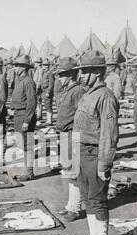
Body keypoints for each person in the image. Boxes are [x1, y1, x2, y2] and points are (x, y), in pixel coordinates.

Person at [73, 50, 119, 235]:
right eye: (81, 70)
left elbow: (109, 134)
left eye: (86, 71)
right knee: (88, 199)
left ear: (98, 72)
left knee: (98, 202)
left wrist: (104, 163)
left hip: (95, 155)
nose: (81, 75)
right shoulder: (88, 94)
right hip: (82, 153)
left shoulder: (106, 97)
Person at [55, 57, 87, 221]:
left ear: (70, 75)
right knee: (68, 171)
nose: (59, 78)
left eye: (61, 75)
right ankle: (70, 205)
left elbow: (81, 118)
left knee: (74, 172)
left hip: (72, 135)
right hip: (64, 134)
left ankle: (75, 208)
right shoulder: (68, 90)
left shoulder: (78, 91)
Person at [11, 54, 37, 181]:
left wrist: (27, 120)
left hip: (25, 116)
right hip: (18, 115)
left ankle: (29, 172)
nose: (15, 68)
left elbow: (32, 103)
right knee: (22, 145)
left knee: (28, 145)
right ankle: (25, 169)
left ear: (23, 67)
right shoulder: (19, 80)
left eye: (17, 66)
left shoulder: (28, 82)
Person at [41, 58, 55, 125]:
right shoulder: (44, 72)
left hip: (47, 91)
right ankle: (48, 119)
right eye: (43, 65)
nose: (43, 66)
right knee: (46, 106)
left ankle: (49, 120)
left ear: (48, 66)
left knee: (48, 106)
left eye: (45, 65)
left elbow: (51, 84)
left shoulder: (50, 73)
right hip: (44, 91)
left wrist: (48, 92)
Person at [33, 57, 43, 121]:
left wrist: (37, 88)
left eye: (35, 63)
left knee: (38, 102)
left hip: (38, 88)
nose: (34, 64)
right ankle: (38, 114)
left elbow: (39, 80)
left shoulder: (40, 70)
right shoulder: (37, 70)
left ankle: (39, 115)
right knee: (37, 102)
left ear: (38, 64)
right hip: (36, 87)